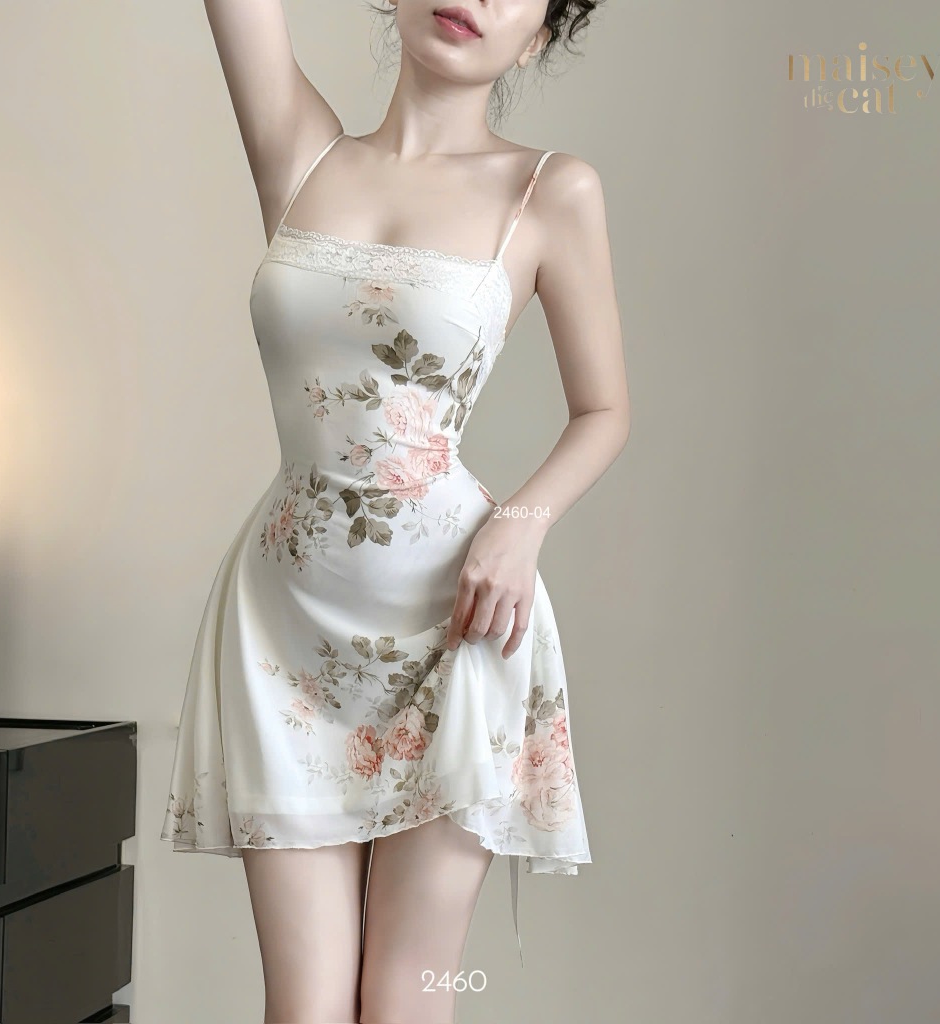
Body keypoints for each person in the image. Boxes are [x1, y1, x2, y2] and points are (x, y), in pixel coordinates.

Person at [162, 1, 628, 1021]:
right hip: (282, 633)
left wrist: (521, 524)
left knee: (405, 1001)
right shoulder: (300, 152)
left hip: (456, 626)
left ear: (540, 35)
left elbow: (604, 411)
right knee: (305, 1007)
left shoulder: (549, 191)